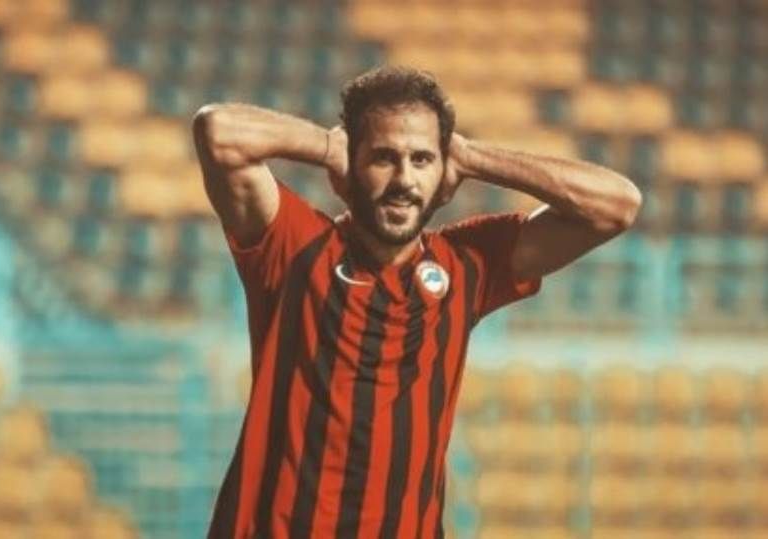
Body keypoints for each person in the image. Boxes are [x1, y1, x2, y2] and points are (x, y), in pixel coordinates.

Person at [192, 65, 642, 539]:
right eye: (383, 158)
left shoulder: (467, 264)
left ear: (444, 175)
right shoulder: (294, 246)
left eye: (423, 160)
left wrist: (472, 156)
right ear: (347, 171)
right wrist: (325, 146)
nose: (404, 179)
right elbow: (218, 132)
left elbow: (617, 207)